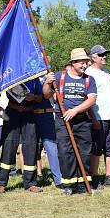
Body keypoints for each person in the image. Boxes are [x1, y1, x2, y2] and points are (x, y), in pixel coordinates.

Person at [43, 48, 98, 196]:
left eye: (86, 62)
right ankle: (69, 185)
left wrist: (76, 110)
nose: (85, 65)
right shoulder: (59, 76)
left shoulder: (88, 79)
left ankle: (84, 184)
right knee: (65, 152)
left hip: (82, 120)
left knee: (85, 153)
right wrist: (48, 83)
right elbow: (46, 94)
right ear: (73, 63)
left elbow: (92, 99)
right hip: (63, 121)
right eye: (81, 62)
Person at [0, 81, 43, 194]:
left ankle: (30, 183)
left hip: (29, 113)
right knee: (8, 147)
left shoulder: (34, 76)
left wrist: (34, 97)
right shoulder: (12, 73)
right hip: (12, 112)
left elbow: (40, 97)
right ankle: (1, 184)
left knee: (31, 147)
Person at [85, 45, 110, 187]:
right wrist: (93, 118)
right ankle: (94, 177)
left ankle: (109, 176)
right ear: (93, 57)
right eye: (101, 55)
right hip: (99, 117)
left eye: (105, 54)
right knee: (97, 149)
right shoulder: (89, 73)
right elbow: (88, 98)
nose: (104, 57)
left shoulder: (106, 72)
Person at [32, 74, 61, 188]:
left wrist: (48, 83)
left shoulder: (50, 77)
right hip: (30, 115)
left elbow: (52, 95)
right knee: (30, 149)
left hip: (46, 115)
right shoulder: (27, 77)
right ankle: (31, 179)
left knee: (51, 147)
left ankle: (59, 179)